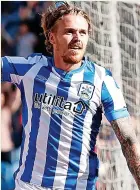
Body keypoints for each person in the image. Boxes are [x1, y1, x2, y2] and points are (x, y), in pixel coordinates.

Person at [1, 2, 140, 190]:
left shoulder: (101, 80)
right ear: (52, 37)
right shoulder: (32, 69)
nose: (77, 38)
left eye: (83, 33)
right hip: (30, 185)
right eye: (70, 32)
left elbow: (127, 138)